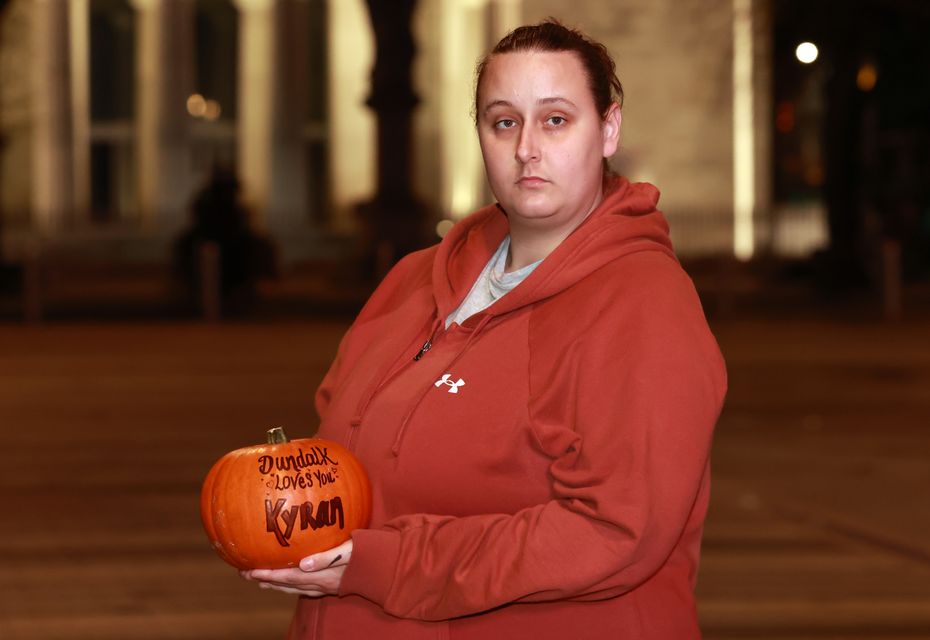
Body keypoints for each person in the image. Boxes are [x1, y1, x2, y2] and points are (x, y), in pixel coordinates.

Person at [242, 19, 727, 639]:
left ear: (608, 129)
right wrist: (280, 518)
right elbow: (343, 459)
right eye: (504, 121)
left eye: (556, 119)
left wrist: (384, 564)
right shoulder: (415, 280)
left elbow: (615, 530)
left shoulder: (644, 305)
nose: (527, 147)